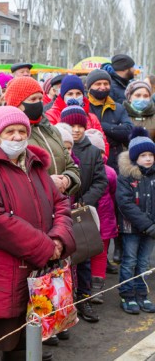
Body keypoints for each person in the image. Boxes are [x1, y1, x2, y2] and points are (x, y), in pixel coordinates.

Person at [0, 106, 75, 361]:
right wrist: (46, 247)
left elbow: (60, 203)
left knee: (28, 341)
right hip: (1, 272)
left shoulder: (36, 166)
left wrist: (59, 239)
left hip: (37, 272)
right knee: (0, 341)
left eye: (21, 131)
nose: (16, 137)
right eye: (9, 131)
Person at [60, 105, 108, 323]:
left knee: (84, 257)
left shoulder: (91, 151)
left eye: (80, 126)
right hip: (60, 211)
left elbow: (100, 180)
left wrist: (85, 201)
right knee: (63, 261)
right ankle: (64, 304)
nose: (77, 130)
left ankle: (84, 298)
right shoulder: (60, 149)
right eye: (72, 125)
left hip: (82, 212)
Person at [5, 77, 81, 196]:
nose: (39, 103)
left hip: (60, 205)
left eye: (40, 98)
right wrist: (48, 183)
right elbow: (12, 178)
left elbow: (72, 166)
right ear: (17, 104)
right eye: (33, 99)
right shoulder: (11, 136)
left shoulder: (52, 130)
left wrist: (67, 180)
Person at [116, 128, 155, 314]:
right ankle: (127, 295)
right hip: (131, 228)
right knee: (129, 261)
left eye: (150, 155)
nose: (148, 158)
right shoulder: (126, 177)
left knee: (143, 262)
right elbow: (125, 204)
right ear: (133, 158)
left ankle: (142, 294)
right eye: (142, 155)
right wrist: (147, 225)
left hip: (152, 229)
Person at [84, 128, 119, 303]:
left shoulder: (109, 172)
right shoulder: (110, 171)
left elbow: (113, 193)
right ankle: (92, 287)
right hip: (100, 220)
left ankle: (94, 286)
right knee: (98, 254)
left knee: (94, 254)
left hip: (100, 221)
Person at [45, 74, 108, 152]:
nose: (74, 97)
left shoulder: (92, 118)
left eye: (78, 93)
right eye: (70, 94)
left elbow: (103, 144)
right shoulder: (51, 115)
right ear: (63, 95)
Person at [86, 68, 133, 171]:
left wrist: (101, 126)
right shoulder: (84, 107)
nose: (102, 87)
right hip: (89, 162)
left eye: (106, 83)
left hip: (115, 163)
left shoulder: (118, 108)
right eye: (98, 84)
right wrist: (116, 132)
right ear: (89, 87)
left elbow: (128, 131)